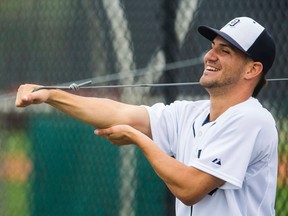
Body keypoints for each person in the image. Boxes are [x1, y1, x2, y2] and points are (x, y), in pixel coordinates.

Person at [15, 17, 278, 216]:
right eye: (213, 47)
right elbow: (120, 113)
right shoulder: (192, 113)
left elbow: (190, 189)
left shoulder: (252, 119)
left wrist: (137, 137)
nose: (210, 55)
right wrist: (52, 95)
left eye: (225, 51)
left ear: (252, 69)